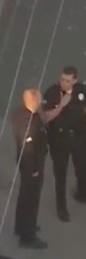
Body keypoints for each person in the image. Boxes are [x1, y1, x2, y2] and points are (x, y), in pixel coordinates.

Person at [41, 65, 86, 220]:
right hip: (60, 138)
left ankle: (83, 193)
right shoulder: (52, 92)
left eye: (68, 81)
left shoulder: (81, 90)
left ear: (75, 80)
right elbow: (47, 117)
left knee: (82, 167)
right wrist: (61, 104)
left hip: (80, 136)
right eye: (62, 79)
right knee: (60, 173)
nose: (64, 83)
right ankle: (61, 208)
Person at [11, 88, 48, 249]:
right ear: (33, 101)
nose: (41, 102)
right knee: (31, 200)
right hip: (31, 164)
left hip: (24, 163)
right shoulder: (30, 123)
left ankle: (20, 226)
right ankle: (28, 235)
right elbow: (28, 149)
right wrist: (34, 170)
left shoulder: (20, 114)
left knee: (24, 195)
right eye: (39, 100)